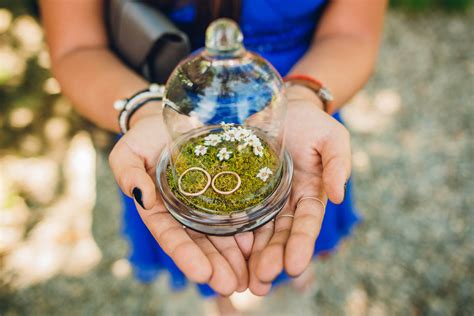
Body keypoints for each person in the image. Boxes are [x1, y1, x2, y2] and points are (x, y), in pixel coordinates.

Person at [40, 0, 386, 314]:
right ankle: (212, 298)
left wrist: (303, 98)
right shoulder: (165, 116)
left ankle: (283, 281)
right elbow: (77, 47)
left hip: (293, 108)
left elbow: (352, 32)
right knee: (199, 265)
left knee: (291, 238)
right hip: (164, 110)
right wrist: (144, 111)